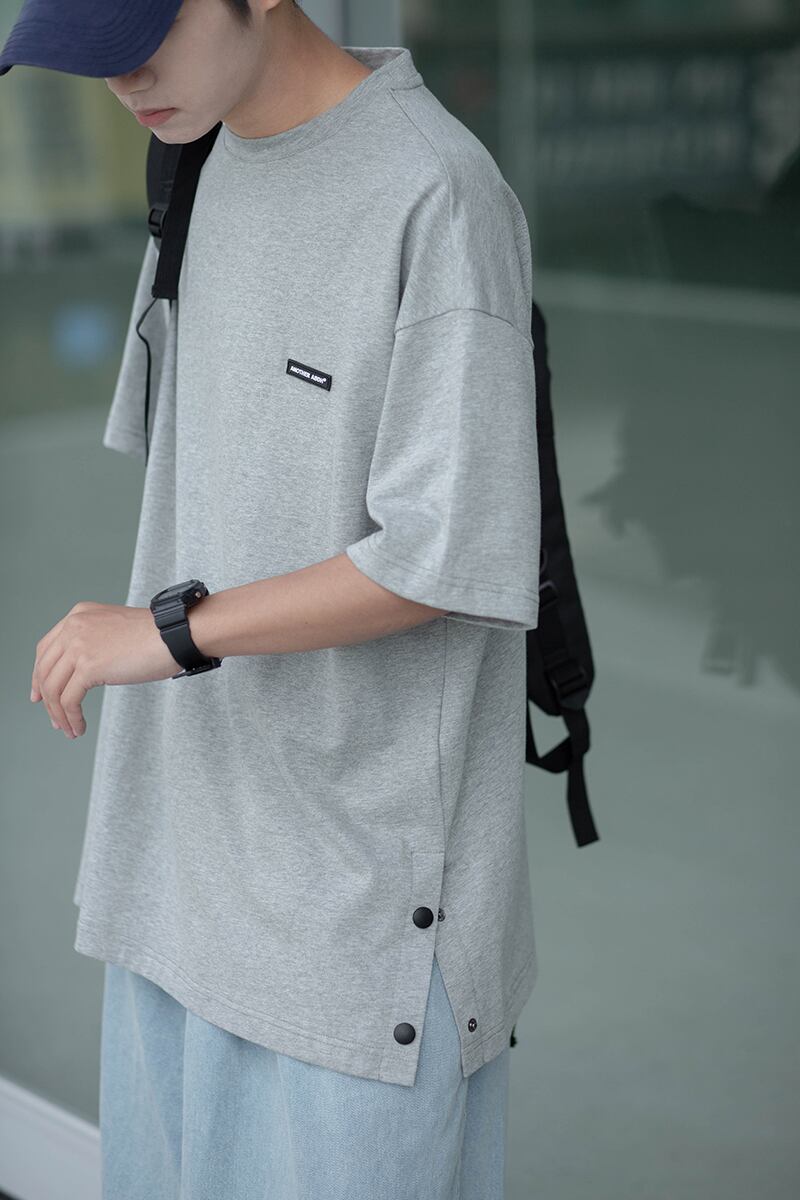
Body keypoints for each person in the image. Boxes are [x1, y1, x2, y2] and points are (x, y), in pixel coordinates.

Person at [6, 0, 542, 1195]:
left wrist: (166, 632)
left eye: (141, 39)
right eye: (96, 59)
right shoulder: (191, 162)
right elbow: (212, 478)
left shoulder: (437, 195)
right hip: (173, 871)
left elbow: (442, 555)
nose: (124, 81)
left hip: (354, 929)